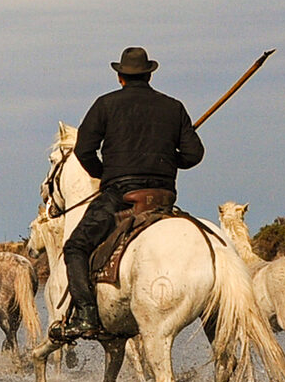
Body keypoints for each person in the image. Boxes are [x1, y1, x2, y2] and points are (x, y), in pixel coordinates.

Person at [52, 46, 205, 341]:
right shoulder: (173, 107)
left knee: (75, 247)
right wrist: (171, 159)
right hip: (162, 198)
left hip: (120, 195)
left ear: (121, 76)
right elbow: (194, 154)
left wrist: (104, 173)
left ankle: (86, 315)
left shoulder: (105, 105)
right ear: (149, 75)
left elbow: (83, 150)